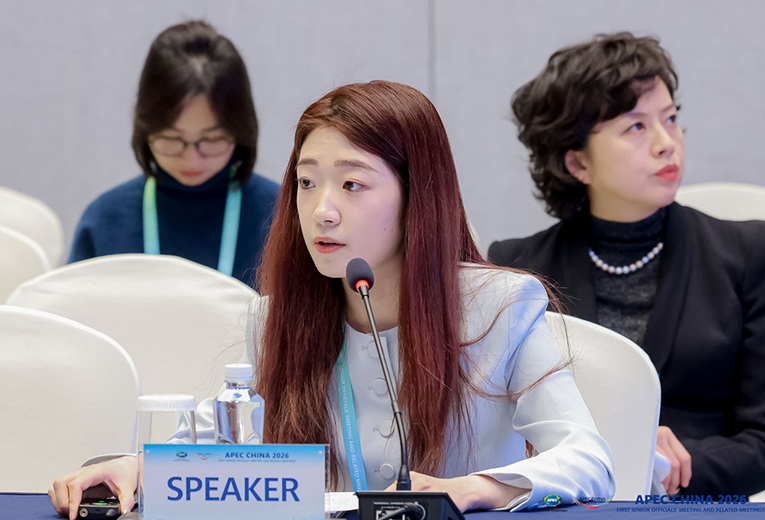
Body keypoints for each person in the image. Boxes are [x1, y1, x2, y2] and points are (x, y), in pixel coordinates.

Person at [49, 80, 614, 519]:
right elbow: (212, 442)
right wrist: (137, 468)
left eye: (352, 184)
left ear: (418, 196)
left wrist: (473, 489)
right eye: (307, 182)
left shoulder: (501, 308)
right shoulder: (277, 318)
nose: (321, 211)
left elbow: (588, 461)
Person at [489, 32, 765, 497]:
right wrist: (623, 450)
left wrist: (661, 466)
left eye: (671, 118)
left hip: (698, 505)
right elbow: (500, 430)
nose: (667, 143)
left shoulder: (752, 252)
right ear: (577, 163)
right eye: (636, 127)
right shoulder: (518, 269)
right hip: (570, 505)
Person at [68, 20, 279, 287]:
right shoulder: (105, 220)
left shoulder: (281, 216)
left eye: (212, 139)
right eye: (171, 139)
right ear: (145, 128)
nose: (191, 159)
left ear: (241, 131)